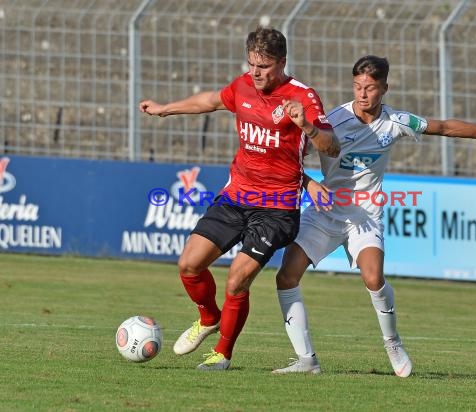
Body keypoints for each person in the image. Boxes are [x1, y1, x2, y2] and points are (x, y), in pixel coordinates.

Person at [273, 55, 476, 377]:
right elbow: (284, 157)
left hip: (366, 213)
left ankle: (392, 341)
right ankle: (307, 361)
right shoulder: (332, 121)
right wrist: (310, 183)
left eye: (369, 87)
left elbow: (445, 127)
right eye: (357, 86)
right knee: (286, 276)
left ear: (384, 87)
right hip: (326, 212)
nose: (362, 93)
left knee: (372, 278)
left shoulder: (397, 121)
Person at [139, 26, 340, 370]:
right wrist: (165, 109)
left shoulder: (302, 96)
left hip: (277, 209)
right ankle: (208, 317)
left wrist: (306, 125)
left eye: (264, 66)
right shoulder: (243, 85)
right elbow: (212, 101)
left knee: (237, 278)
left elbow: (331, 145)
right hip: (236, 195)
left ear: (282, 62)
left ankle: (222, 354)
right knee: (189, 265)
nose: (256, 73)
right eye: (251, 64)